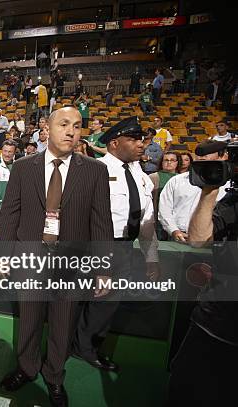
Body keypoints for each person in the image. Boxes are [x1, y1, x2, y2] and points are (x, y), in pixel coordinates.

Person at [0, 107, 114, 407]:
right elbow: (10, 215)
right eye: (64, 124)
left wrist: (104, 267)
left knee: (63, 325)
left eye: (77, 126)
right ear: (48, 129)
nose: (71, 131)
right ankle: (26, 367)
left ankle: (54, 377)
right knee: (29, 321)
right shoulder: (23, 167)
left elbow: (102, 222)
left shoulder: (95, 170)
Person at [73, 116, 160, 373]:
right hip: (95, 246)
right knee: (80, 300)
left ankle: (87, 347)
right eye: (132, 139)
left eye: (141, 139)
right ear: (114, 143)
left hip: (125, 248)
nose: (140, 144)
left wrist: (151, 256)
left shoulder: (141, 176)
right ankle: (72, 345)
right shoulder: (93, 170)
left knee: (107, 305)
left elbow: (147, 220)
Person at [169, 154, 238, 406]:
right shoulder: (233, 200)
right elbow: (199, 239)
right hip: (216, 317)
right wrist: (209, 190)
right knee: (187, 386)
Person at [158, 141, 229, 244]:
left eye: (205, 155)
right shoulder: (177, 180)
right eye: (198, 155)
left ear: (223, 157)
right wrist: (174, 230)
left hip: (213, 240)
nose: (201, 158)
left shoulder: (230, 185)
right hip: (178, 239)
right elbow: (164, 209)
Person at [149, 151, 179, 240]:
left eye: (172, 160)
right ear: (161, 162)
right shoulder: (153, 177)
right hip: (157, 218)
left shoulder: (182, 178)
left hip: (176, 219)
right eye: (166, 160)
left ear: (177, 162)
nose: (169, 162)